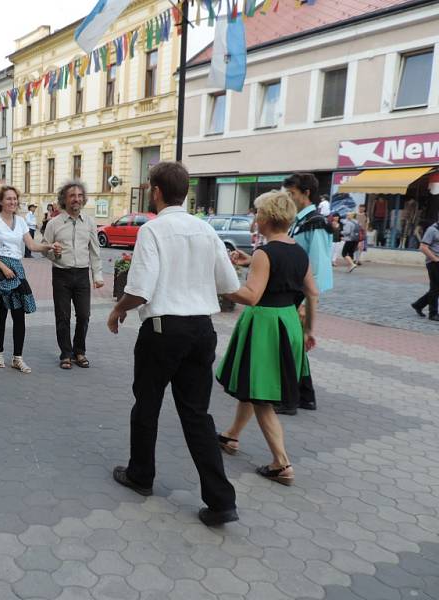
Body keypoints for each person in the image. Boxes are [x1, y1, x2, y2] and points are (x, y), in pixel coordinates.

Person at [107, 161, 241, 527]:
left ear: (156, 191)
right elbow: (228, 283)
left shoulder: (153, 230)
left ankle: (141, 474)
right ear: (186, 193)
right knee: (197, 415)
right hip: (202, 329)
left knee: (147, 405)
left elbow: (140, 289)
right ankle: (220, 500)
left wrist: (117, 311)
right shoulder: (205, 230)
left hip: (164, 329)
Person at [216, 191, 319, 488]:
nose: (254, 218)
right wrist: (310, 329)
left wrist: (221, 284)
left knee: (261, 395)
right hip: (287, 322)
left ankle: (281, 463)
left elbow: (251, 296)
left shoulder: (266, 253)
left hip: (264, 325)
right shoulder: (297, 250)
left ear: (267, 218)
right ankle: (231, 435)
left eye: (257, 213)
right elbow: (312, 292)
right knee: (255, 385)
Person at [0, 186, 59, 375]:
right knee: (1, 314)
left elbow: (31, 245)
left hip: (16, 269)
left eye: (15, 199)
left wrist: (49, 247)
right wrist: (3, 268)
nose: (13, 202)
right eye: (8, 199)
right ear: (0, 202)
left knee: (19, 314)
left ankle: (17, 358)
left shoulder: (21, 221)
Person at [283, 172, 332, 414]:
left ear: (307, 193)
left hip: (301, 294)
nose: (289, 199)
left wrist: (306, 303)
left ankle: (294, 397)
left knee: (292, 345)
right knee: (295, 345)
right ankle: (305, 395)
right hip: (294, 291)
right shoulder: (299, 221)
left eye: (292, 194)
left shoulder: (316, 223)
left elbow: (320, 269)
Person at [42, 181, 104, 369]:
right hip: (61, 274)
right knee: (63, 316)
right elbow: (45, 249)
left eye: (79, 196)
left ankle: (79, 351)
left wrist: (97, 276)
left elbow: (95, 251)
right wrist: (54, 252)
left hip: (82, 274)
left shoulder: (90, 222)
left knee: (84, 315)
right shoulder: (54, 223)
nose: (76, 199)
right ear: (64, 199)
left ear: (83, 199)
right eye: (72, 196)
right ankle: (66, 354)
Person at [411, 220, 439, 321]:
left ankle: (418, 304)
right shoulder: (432, 230)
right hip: (433, 263)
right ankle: (433, 313)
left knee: (436, 288)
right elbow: (423, 247)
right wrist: (435, 259)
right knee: (435, 288)